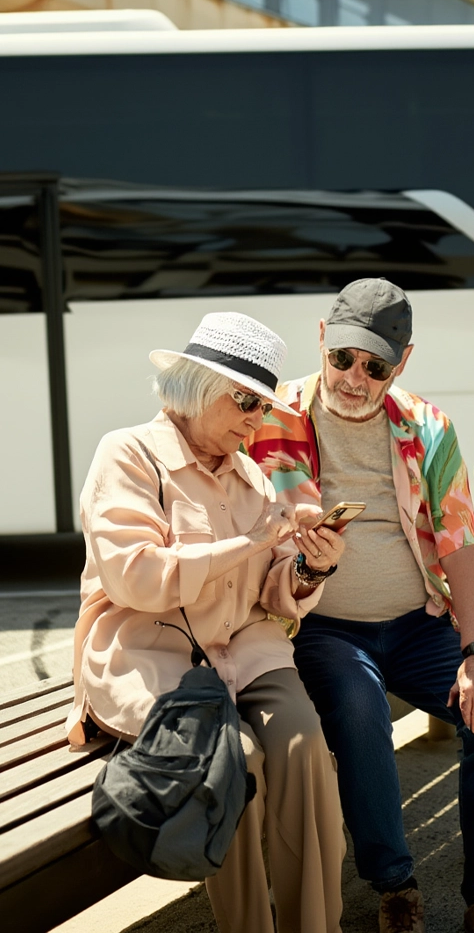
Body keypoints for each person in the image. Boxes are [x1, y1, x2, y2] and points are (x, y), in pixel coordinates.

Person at [245, 278, 474, 933]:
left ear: (401, 363)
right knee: (358, 709)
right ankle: (395, 883)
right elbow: (257, 476)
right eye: (342, 356)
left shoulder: (428, 426)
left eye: (375, 366)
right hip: (321, 626)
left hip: (416, 622)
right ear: (321, 338)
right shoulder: (273, 414)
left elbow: (460, 542)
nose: (353, 377)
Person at [66, 311, 346, 933]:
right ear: (196, 386)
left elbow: (273, 595)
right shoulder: (129, 453)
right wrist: (251, 542)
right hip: (151, 656)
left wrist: (308, 570)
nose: (256, 420)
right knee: (234, 762)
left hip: (245, 650)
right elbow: (135, 577)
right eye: (245, 401)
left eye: (263, 407)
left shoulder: (252, 474)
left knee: (303, 747)